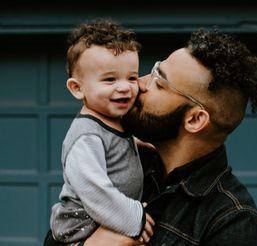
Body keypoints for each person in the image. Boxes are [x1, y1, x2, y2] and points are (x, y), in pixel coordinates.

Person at [46, 27, 257, 245]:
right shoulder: (126, 159)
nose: (137, 84)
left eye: (158, 82)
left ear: (194, 120)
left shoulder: (231, 220)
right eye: (151, 71)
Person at [47, 18, 154, 245]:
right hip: (81, 226)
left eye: (132, 77)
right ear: (77, 88)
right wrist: (135, 217)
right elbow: (94, 190)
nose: (124, 86)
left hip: (105, 219)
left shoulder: (114, 121)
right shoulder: (86, 136)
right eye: (109, 79)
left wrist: (137, 144)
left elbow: (114, 145)